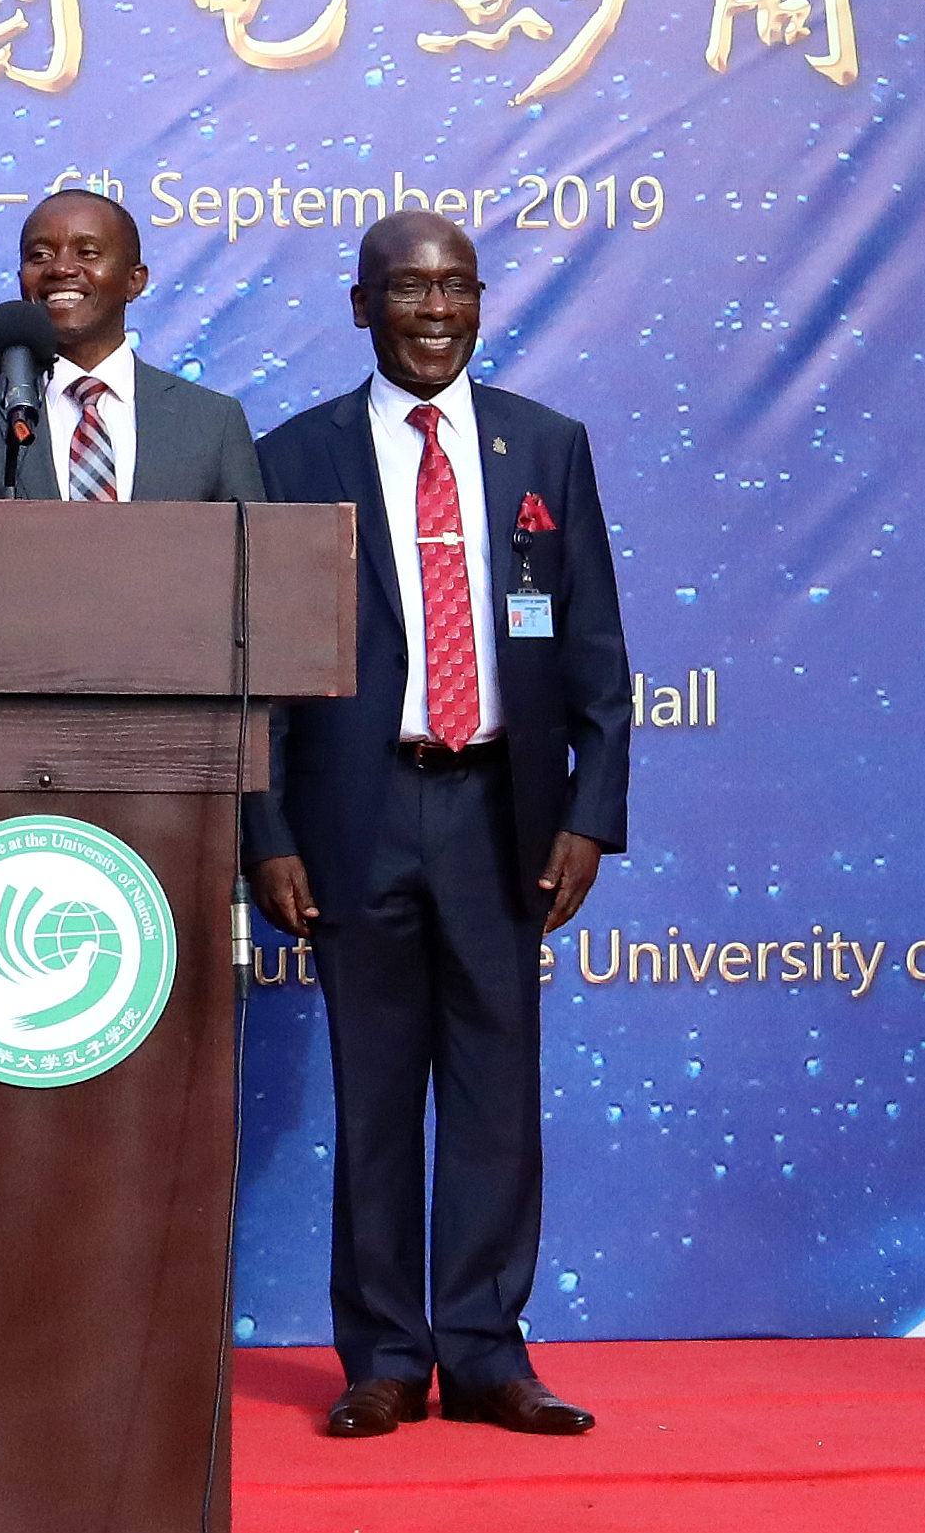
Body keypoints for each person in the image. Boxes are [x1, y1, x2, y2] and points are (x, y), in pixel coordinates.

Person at [244, 211, 630, 1440]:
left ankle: (483, 1351)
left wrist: (588, 814)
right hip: (353, 814)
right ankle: (380, 1357)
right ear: (362, 307)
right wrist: (266, 832)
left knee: (492, 1093)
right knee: (372, 1096)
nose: (434, 310)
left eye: (455, 287)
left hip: (498, 809)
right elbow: (258, 671)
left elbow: (593, 647)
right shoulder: (291, 457)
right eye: (408, 289)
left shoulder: (544, 445)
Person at [0, 189, 264, 502]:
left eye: (88, 252)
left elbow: (252, 552)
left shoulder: (214, 422)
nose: (61, 268)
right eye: (40, 255)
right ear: (21, 279)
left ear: (135, 281)